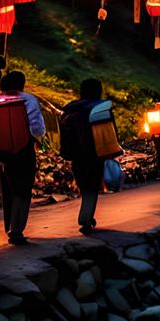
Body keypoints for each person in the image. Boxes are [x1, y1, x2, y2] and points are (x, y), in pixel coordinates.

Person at [0, 71, 45, 245]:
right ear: (22, 84)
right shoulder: (28, 99)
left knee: (8, 188)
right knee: (22, 190)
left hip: (2, 152)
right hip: (23, 149)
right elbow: (37, 128)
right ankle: (16, 230)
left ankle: (9, 226)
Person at [61, 79, 106, 233]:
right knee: (92, 187)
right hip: (94, 153)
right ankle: (85, 218)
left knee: (84, 185)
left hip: (75, 155)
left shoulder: (70, 109)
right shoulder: (100, 107)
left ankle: (88, 216)